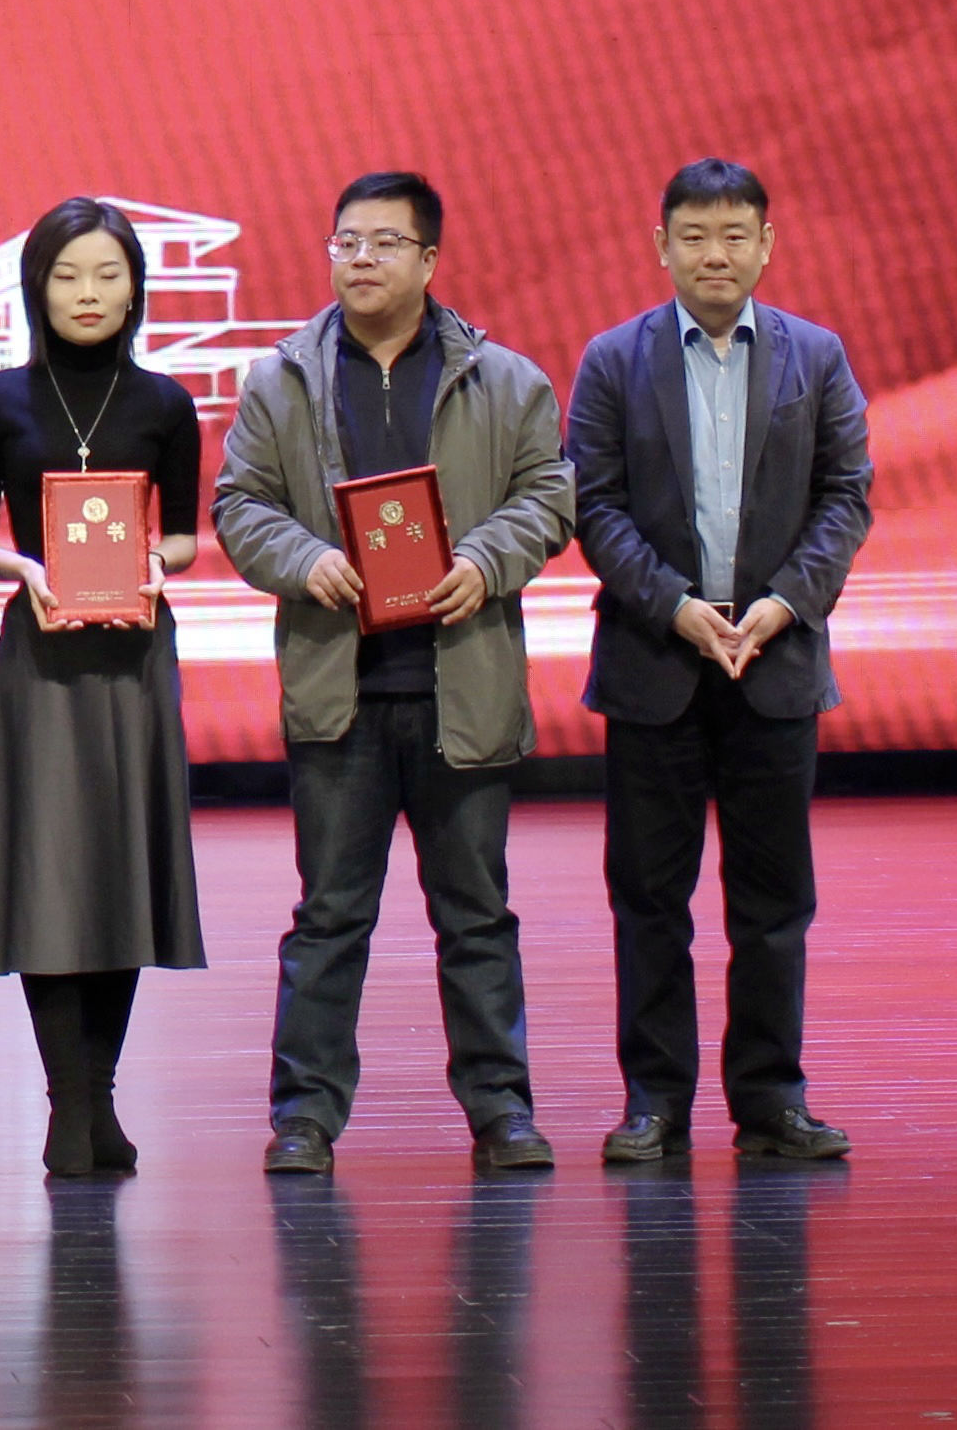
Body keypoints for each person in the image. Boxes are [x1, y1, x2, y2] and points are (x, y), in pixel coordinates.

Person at [213, 171, 577, 1176]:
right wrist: (304, 559)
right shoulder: (281, 379)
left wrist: (483, 561)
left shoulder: (503, 379)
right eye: (346, 241)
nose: (361, 258)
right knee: (329, 917)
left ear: (428, 259)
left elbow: (548, 492)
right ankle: (304, 1117)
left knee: (476, 917)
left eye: (383, 242)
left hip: (462, 687)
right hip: (340, 694)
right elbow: (239, 502)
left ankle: (501, 1110)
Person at [570, 159, 871, 1165]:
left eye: (734, 234)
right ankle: (653, 1103)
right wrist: (675, 607)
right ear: (660, 245)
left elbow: (846, 495)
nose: (714, 253)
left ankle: (770, 1099)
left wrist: (784, 602)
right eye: (694, 235)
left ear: (765, 245)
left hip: (774, 665)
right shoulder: (612, 360)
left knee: (772, 904)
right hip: (654, 663)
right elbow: (594, 505)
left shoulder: (814, 356)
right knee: (649, 902)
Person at [0, 198, 209, 1178]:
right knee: (50, 872)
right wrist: (21, 566)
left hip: (134, 653)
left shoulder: (165, 402)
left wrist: (155, 562)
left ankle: (97, 1096)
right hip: (44, 653)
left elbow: (182, 534)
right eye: (67, 275)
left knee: (121, 866)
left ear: (135, 287)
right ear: (37, 287)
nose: (88, 293)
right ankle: (69, 1103)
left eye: (107, 274)